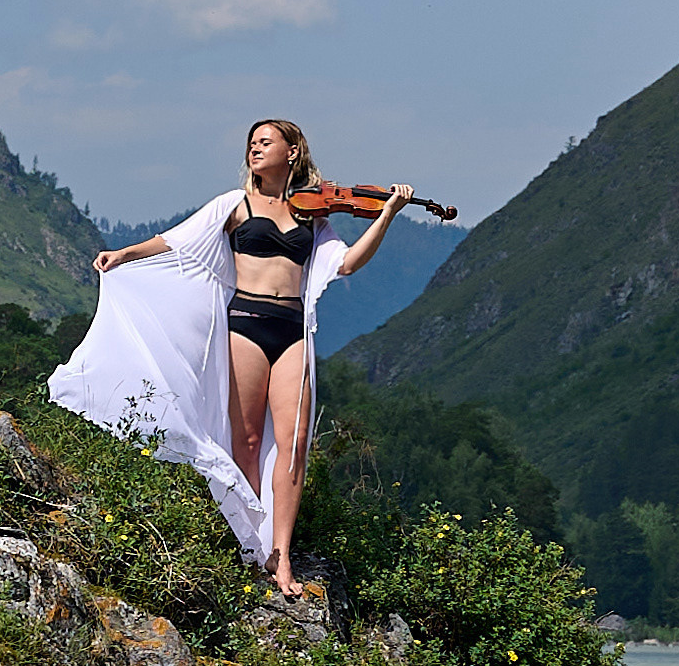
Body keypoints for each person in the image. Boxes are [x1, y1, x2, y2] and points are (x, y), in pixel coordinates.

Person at [49, 116, 412, 595]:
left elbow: (345, 264)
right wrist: (125, 254)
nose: (256, 150)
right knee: (245, 438)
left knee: (297, 440)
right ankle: (248, 543)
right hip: (245, 323)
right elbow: (177, 239)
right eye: (252, 144)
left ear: (292, 152)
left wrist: (386, 213)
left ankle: (280, 555)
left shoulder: (314, 216)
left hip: (292, 328)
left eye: (266, 142)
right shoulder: (234, 205)